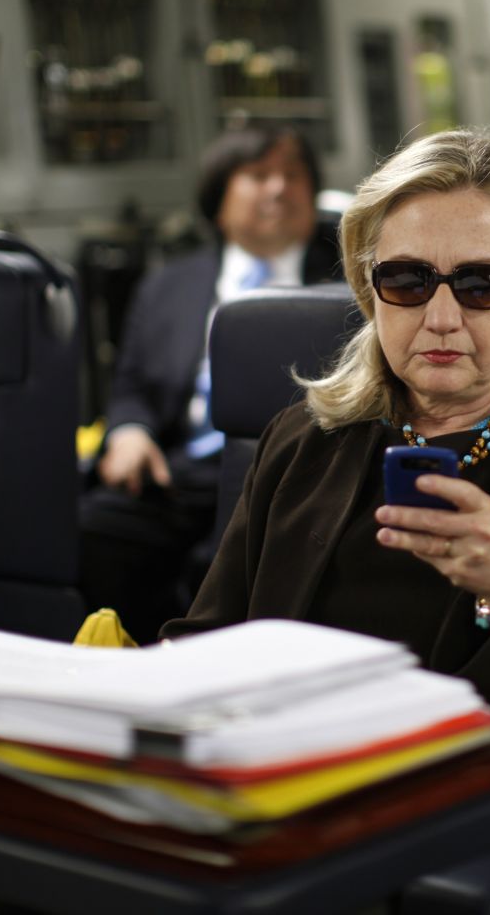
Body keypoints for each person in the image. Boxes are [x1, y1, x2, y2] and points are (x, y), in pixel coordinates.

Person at [162, 130, 490, 793]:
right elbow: (206, 645)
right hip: (267, 790)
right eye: (407, 280)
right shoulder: (302, 439)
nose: (440, 318)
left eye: (481, 284)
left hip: (446, 817)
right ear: (368, 289)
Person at [79, 126, 339, 642]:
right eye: (259, 175)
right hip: (178, 472)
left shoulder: (348, 284)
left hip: (290, 477)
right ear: (218, 198)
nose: (279, 189)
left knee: (234, 561)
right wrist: (130, 430)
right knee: (90, 528)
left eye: (293, 175)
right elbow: (130, 384)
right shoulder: (168, 285)